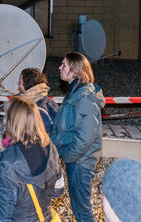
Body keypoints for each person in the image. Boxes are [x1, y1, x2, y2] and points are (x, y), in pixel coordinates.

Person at [0, 96, 64, 221]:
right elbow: (58, 190)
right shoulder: (49, 147)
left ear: (12, 122)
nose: (4, 121)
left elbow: (2, 216)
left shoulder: (8, 161)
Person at [51, 51, 105, 222]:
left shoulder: (85, 98)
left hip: (80, 163)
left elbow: (85, 138)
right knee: (79, 207)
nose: (60, 68)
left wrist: (68, 157)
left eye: (64, 65)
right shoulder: (76, 92)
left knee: (82, 210)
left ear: (75, 71)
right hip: (77, 161)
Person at [18, 68, 59, 135]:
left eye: (20, 82)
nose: (18, 84)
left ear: (27, 83)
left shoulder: (39, 108)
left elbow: (42, 139)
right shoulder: (47, 101)